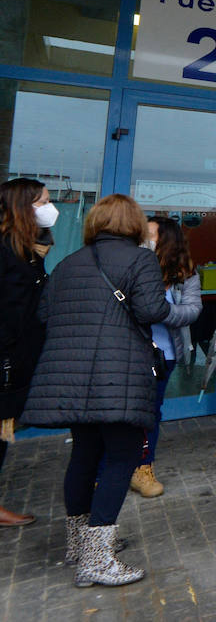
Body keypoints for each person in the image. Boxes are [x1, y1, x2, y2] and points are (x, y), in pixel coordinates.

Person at [23, 194, 171, 587]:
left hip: (70, 376)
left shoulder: (69, 262)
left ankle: (79, 545)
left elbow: (43, 314)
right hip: (117, 375)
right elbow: (152, 311)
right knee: (122, 458)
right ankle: (97, 559)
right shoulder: (141, 259)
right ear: (134, 223)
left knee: (84, 456)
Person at [128, 217, 204, 499]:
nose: (143, 239)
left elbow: (192, 311)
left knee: (150, 413)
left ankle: (143, 468)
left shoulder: (185, 275)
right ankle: (105, 469)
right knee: (118, 413)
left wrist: (158, 311)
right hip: (126, 352)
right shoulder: (131, 267)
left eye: (149, 235)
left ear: (166, 241)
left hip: (162, 356)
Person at [0, 178, 56, 527]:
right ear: (23, 207)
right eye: (44, 202)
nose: (52, 209)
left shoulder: (26, 249)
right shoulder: (5, 249)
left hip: (19, 356)